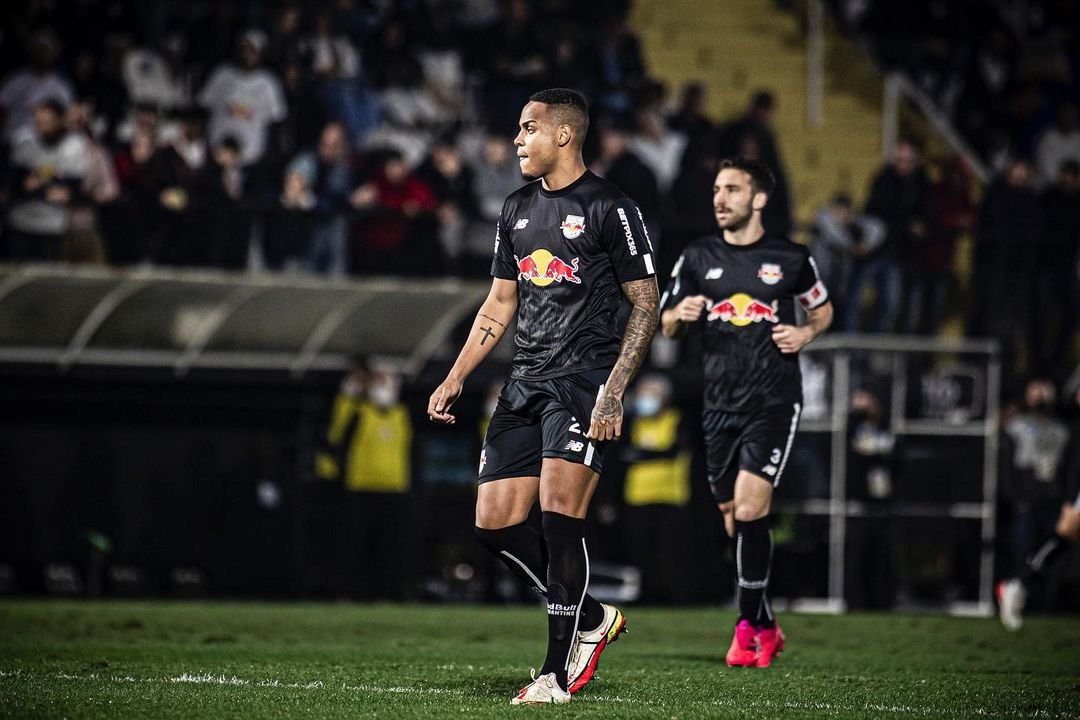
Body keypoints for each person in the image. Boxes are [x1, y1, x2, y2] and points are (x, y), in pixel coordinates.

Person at [427, 88, 658, 704]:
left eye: (527, 128)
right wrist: (456, 376)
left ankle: (555, 674)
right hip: (524, 380)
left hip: (584, 383)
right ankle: (590, 619)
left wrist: (614, 390)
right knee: (494, 524)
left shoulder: (612, 207)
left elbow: (646, 302)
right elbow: (500, 302)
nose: (517, 140)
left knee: (559, 522)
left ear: (563, 135)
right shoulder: (516, 208)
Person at [660, 157, 833, 668]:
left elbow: (822, 309)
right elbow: (666, 322)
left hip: (774, 401)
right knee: (735, 521)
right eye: (717, 189)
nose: (720, 198)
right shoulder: (696, 257)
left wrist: (804, 333)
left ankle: (743, 626)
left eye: (732, 189)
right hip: (718, 406)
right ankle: (767, 624)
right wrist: (678, 317)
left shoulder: (791, 257)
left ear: (758, 199)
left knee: (753, 510)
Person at [314, 357, 414, 599]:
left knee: (390, 550)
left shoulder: (402, 415)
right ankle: (345, 593)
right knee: (351, 547)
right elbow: (335, 438)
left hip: (394, 492)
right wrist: (348, 396)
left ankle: (390, 595)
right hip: (359, 490)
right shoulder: (358, 412)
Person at [997, 377, 1077, 630]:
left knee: (1062, 538)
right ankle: (1019, 585)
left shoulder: (1062, 429)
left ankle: (1019, 585)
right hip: (1031, 501)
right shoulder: (1019, 427)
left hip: (1053, 497)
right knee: (1062, 537)